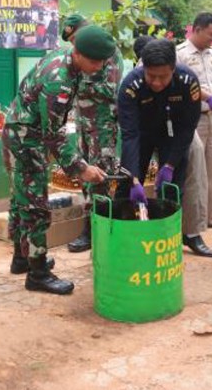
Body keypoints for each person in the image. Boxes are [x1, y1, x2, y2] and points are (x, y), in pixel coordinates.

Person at [2, 24, 112, 295]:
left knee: (21, 199)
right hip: (27, 139)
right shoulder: (59, 80)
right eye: (94, 61)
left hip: (21, 129)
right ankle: (38, 273)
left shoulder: (64, 59)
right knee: (36, 205)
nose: (98, 67)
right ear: (78, 52)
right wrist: (81, 169)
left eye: (102, 62)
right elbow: (54, 135)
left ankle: (21, 257)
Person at [57, 15, 124, 253]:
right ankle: (92, 224)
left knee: (101, 177)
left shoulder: (108, 51)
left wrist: (78, 84)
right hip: (85, 124)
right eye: (72, 42)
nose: (76, 46)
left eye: (76, 38)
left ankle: (96, 231)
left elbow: (112, 89)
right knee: (86, 174)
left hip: (103, 125)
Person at [118, 39, 202, 216]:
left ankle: (167, 234)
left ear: (173, 69)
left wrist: (170, 164)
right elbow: (129, 135)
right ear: (143, 68)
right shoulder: (130, 86)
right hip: (141, 135)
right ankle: (123, 233)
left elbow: (188, 127)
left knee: (172, 188)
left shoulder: (188, 81)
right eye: (151, 76)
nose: (156, 83)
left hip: (173, 135)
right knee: (127, 187)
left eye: (163, 77)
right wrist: (133, 178)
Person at [176, 12, 212, 231]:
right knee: (195, 172)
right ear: (197, 30)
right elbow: (182, 87)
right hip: (192, 118)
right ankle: (194, 223)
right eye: (211, 34)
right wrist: (208, 98)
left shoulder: (211, 54)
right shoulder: (180, 54)